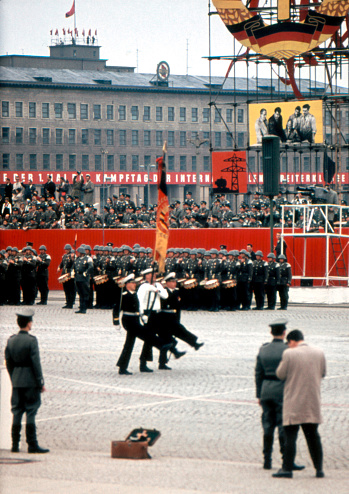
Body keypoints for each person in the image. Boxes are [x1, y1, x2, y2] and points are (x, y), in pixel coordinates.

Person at [273, 330, 326, 479]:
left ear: (291, 341)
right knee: (313, 437)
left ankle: (287, 468)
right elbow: (322, 373)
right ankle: (319, 469)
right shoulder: (319, 352)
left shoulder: (290, 353)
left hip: (294, 401)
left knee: (290, 436)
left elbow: (280, 374)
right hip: (312, 401)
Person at [255, 319, 304, 471]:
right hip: (283, 391)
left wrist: (259, 394)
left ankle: (267, 460)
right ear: (284, 333)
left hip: (266, 391)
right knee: (284, 427)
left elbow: (258, 373)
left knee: (267, 426)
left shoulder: (263, 349)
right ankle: (286, 460)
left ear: (271, 332)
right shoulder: (288, 350)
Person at [5, 308, 49, 453]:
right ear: (29, 324)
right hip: (30, 380)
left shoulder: (11, 340)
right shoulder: (31, 341)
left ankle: (15, 444)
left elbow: (9, 362)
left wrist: (14, 377)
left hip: (17, 380)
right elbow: (36, 363)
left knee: (17, 412)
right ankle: (32, 443)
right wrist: (40, 382)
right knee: (31, 411)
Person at [116, 274, 177, 375]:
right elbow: (117, 309)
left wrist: (141, 315)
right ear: (127, 284)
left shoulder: (135, 294)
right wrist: (116, 322)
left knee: (130, 343)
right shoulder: (125, 295)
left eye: (134, 283)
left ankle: (123, 366)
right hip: (129, 320)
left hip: (138, 319)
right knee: (146, 335)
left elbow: (163, 296)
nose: (134, 285)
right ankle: (161, 345)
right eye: (132, 283)